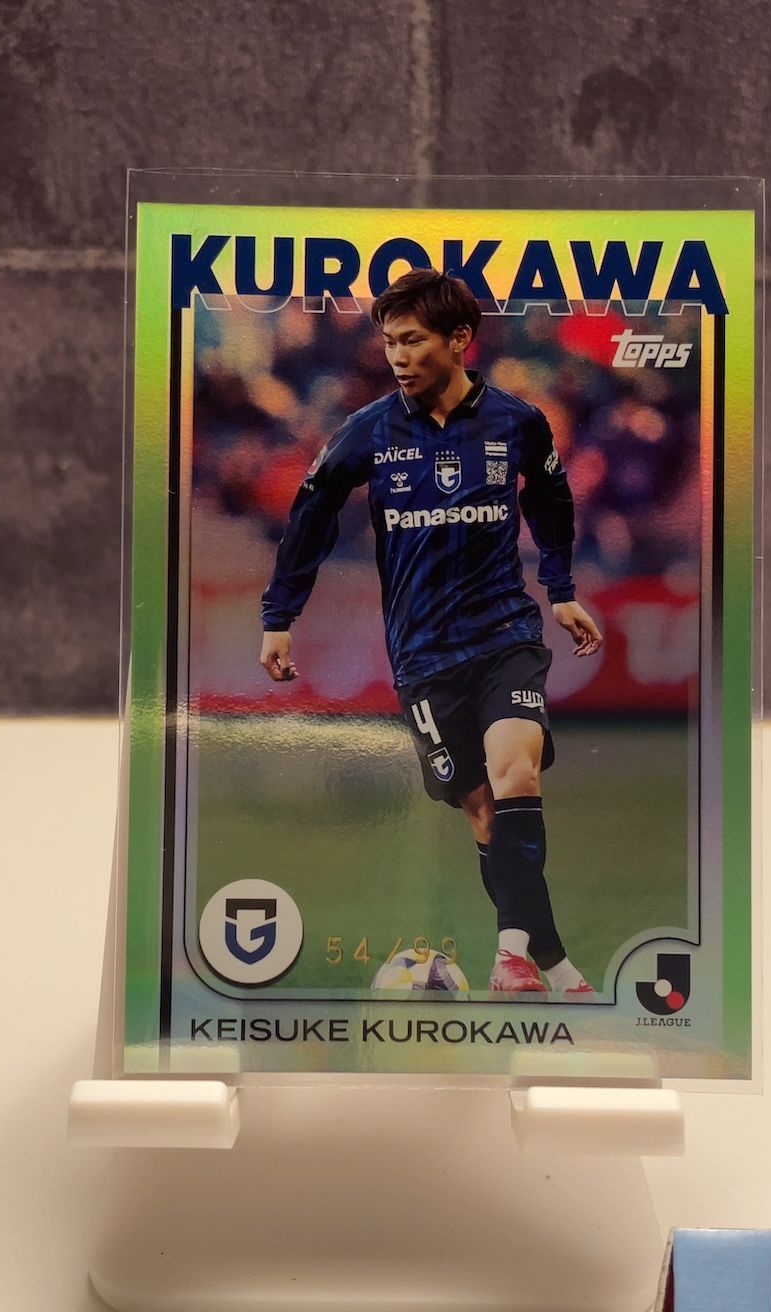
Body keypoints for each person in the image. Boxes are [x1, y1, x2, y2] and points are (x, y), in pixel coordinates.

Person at [258, 268, 603, 995]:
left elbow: (550, 497)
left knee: (517, 772)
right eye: (390, 342)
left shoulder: (517, 421)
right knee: (486, 818)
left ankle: (509, 959)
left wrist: (561, 590)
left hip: (505, 633)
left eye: (412, 340)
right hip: (422, 655)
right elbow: (312, 512)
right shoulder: (370, 429)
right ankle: (556, 967)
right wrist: (280, 615)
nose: (397, 356)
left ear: (459, 339)